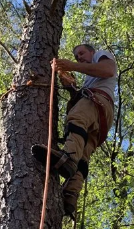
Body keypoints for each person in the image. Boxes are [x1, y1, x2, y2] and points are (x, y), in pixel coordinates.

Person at [32, 44, 117, 217]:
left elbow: (108, 70)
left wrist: (73, 66)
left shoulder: (101, 55)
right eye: (77, 56)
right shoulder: (91, 79)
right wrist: (71, 88)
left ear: (92, 52)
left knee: (76, 118)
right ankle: (71, 195)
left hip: (97, 101)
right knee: (84, 154)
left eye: (81, 53)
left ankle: (68, 158)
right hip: (101, 116)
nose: (79, 57)